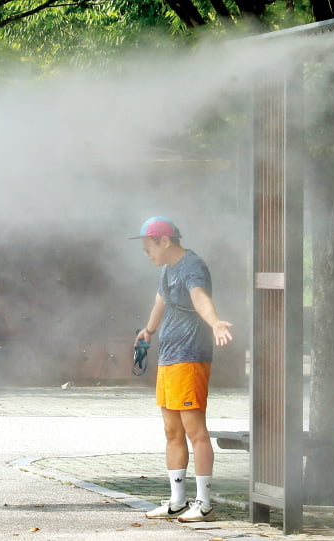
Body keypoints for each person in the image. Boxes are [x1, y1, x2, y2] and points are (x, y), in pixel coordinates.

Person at [131, 216, 233, 522]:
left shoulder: (192, 267)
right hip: (169, 357)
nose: (146, 254)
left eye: (148, 247)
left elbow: (201, 299)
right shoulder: (167, 270)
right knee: (171, 430)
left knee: (195, 432)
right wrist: (148, 331)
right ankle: (177, 501)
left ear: (165, 241)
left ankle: (204, 504)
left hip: (190, 357)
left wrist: (215, 322)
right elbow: (160, 301)